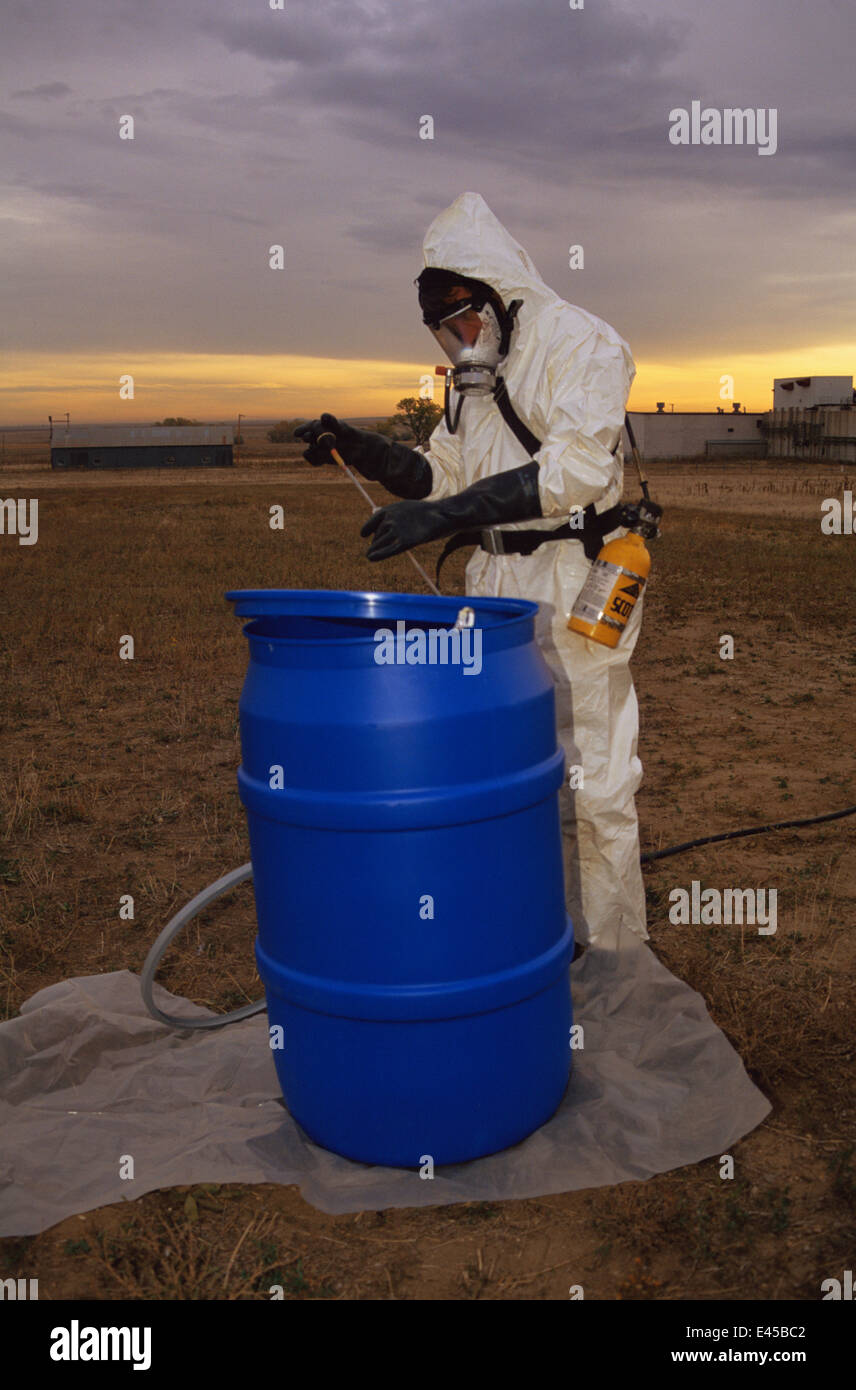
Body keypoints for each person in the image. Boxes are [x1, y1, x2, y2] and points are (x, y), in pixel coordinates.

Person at [295, 192, 646, 949]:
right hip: (493, 594)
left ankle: (617, 961)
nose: (458, 345)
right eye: (443, 332)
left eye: (463, 324)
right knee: (510, 771)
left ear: (497, 297)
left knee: (595, 778)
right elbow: (442, 475)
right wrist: (362, 448)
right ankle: (534, 939)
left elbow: (576, 471)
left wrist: (444, 518)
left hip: (573, 578)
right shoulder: (474, 384)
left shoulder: (580, 343)